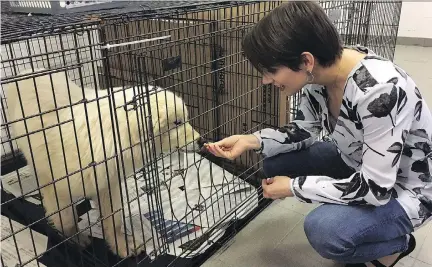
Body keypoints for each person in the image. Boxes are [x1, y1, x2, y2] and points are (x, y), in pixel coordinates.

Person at [204, 2, 432, 267]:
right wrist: (251, 140)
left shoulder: (379, 90)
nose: (266, 80)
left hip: (405, 188)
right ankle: (359, 218)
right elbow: (303, 130)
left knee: (325, 230)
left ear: (306, 60)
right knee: (274, 162)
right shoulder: (318, 77)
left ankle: (397, 244)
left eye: (271, 71)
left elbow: (376, 189)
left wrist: (294, 188)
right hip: (356, 158)